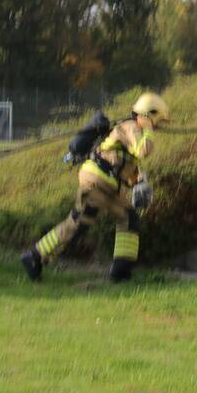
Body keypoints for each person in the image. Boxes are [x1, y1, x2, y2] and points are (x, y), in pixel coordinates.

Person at [21, 93, 170, 283]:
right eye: (156, 121)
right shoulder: (131, 127)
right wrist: (148, 129)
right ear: (149, 115)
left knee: (128, 217)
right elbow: (143, 150)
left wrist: (139, 182)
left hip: (109, 185)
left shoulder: (132, 130)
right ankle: (34, 257)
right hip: (96, 182)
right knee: (78, 223)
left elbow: (125, 163)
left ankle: (121, 272)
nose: (157, 127)